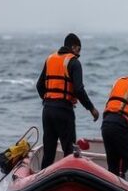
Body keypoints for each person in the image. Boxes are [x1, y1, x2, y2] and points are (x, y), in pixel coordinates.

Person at [36, 33, 99, 169]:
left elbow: (39, 86)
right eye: (79, 49)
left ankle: (44, 183)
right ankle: (67, 181)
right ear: (74, 47)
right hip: (63, 112)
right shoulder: (74, 62)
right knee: (69, 152)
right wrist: (91, 109)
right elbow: (79, 90)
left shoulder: (50, 59)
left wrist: (48, 100)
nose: (79, 54)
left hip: (47, 111)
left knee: (48, 152)